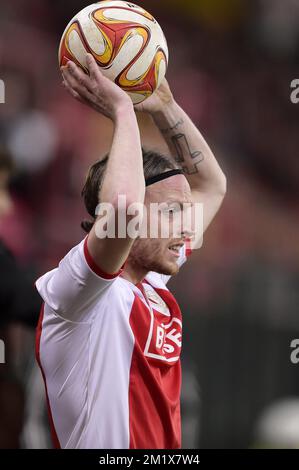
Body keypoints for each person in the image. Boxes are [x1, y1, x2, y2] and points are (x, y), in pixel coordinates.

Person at [35, 54, 226, 449]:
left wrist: (164, 106)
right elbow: (123, 208)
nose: (187, 226)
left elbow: (212, 185)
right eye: (172, 212)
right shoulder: (80, 290)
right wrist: (122, 111)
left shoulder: (152, 281)